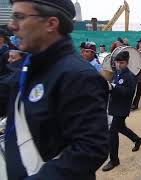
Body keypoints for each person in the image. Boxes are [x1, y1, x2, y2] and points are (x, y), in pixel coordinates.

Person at [1, 1, 109, 179]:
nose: (12, 26)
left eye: (19, 17)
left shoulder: (77, 75)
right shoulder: (31, 65)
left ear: (51, 24)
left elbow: (90, 148)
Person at [102, 51, 141, 172]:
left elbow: (129, 93)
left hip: (122, 108)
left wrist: (114, 87)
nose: (119, 65)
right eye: (117, 62)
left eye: (122, 63)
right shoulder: (116, 73)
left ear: (127, 62)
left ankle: (114, 160)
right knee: (121, 128)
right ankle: (138, 140)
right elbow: (112, 87)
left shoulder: (130, 76)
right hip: (114, 106)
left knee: (112, 132)